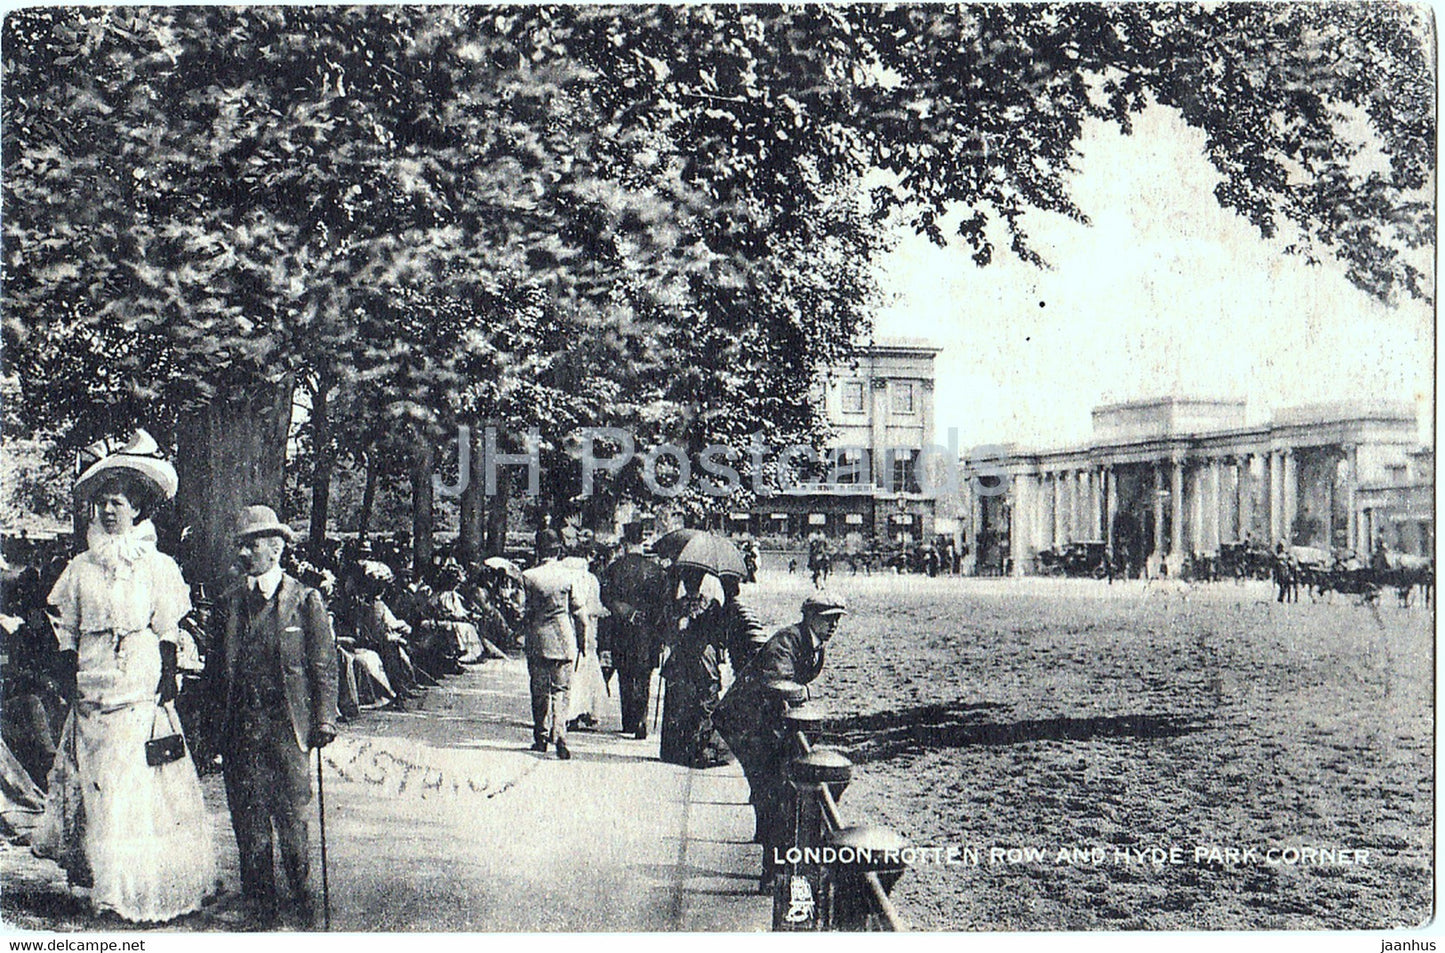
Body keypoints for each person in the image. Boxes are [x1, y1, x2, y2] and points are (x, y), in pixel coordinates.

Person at [31, 432, 216, 922]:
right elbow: (64, 628)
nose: (108, 512)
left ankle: (126, 888)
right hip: (92, 685)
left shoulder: (157, 566)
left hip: (138, 681)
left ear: (136, 509)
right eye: (101, 504)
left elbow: (167, 627)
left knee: (129, 786)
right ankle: (104, 879)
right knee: (98, 786)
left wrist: (168, 675)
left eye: (117, 503)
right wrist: (68, 668)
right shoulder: (80, 568)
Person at [205, 505, 338, 927]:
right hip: (241, 730)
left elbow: (322, 665)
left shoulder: (304, 599)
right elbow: (214, 676)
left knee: (292, 817)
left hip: (287, 729)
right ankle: (259, 909)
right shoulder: (228, 603)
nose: (244, 552)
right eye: (241, 543)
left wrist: (324, 719)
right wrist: (211, 732)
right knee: (248, 821)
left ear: (276, 548)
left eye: (253, 543)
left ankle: (301, 900)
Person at [715, 592, 846, 892]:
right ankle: (771, 875)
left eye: (837, 618)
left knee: (771, 789)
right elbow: (778, 682)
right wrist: (800, 697)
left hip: (763, 721)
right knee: (774, 793)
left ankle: (767, 847)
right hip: (745, 722)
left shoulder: (813, 645)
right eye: (829, 618)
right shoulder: (787, 641)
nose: (834, 624)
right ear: (810, 616)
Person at [521, 530, 588, 760]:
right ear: (558, 550)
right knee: (562, 691)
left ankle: (540, 736)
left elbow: (525, 611)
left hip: (538, 639)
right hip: (563, 639)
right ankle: (559, 733)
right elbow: (579, 612)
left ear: (538, 550)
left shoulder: (529, 576)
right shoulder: (570, 576)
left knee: (539, 690)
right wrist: (582, 641)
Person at [659, 568, 729, 767]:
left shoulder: (678, 605)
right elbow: (719, 633)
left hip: (684, 659)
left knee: (681, 702)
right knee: (703, 700)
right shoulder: (712, 605)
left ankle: (677, 750)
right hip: (702, 659)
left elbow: (669, 634)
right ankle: (700, 749)